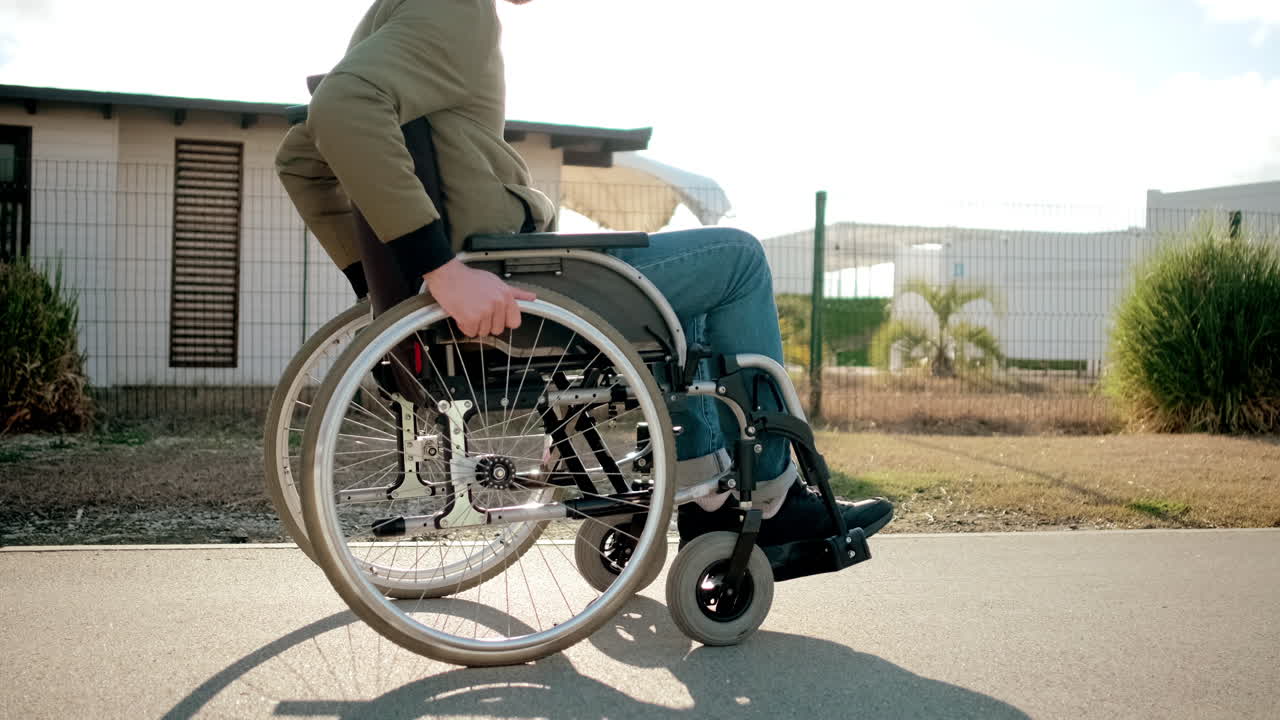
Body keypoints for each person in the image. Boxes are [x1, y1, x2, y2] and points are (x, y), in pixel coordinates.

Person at [276, 0, 892, 561]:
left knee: (692, 296)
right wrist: (437, 270)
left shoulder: (397, 11)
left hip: (495, 273)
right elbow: (342, 110)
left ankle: (706, 500)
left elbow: (301, 159)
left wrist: (382, 282)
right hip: (515, 278)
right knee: (737, 258)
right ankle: (775, 498)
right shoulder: (458, 7)